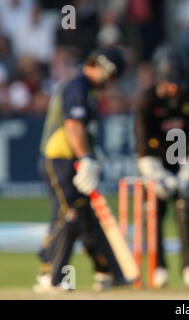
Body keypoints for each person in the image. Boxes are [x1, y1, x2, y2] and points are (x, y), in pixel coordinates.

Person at [35, 47, 127, 293]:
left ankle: (106, 271)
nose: (113, 81)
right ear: (105, 67)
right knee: (71, 213)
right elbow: (74, 126)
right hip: (60, 158)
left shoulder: (89, 90)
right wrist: (86, 158)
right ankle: (50, 275)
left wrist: (93, 157)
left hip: (72, 158)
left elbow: (86, 131)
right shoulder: (78, 86)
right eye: (113, 74)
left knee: (82, 216)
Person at [134, 46, 189, 288]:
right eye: (169, 83)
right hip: (155, 162)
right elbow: (142, 145)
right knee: (153, 210)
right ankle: (159, 267)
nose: (174, 88)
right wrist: (157, 175)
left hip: (182, 160)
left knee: (186, 207)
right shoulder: (146, 100)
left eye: (178, 82)